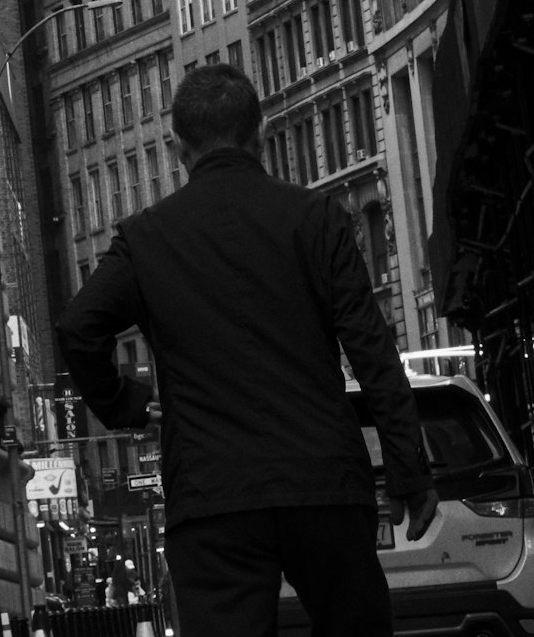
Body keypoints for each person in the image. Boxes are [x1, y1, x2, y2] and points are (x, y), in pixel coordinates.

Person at [57, 64, 439, 637]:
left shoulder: (146, 239)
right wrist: (409, 469)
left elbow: (78, 327)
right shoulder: (317, 219)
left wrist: (126, 405)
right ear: (259, 133)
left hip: (213, 500)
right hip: (323, 482)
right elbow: (373, 351)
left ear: (177, 148)